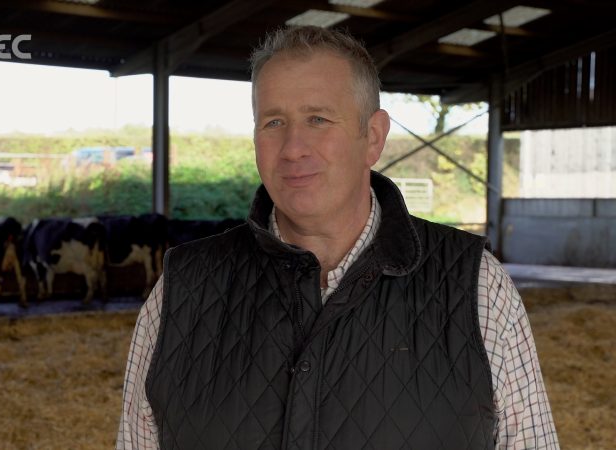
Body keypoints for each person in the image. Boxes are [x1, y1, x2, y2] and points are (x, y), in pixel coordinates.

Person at [117, 25, 558, 449]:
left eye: (318, 119)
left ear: (374, 137)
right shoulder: (181, 291)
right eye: (273, 122)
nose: (292, 147)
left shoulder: (477, 287)